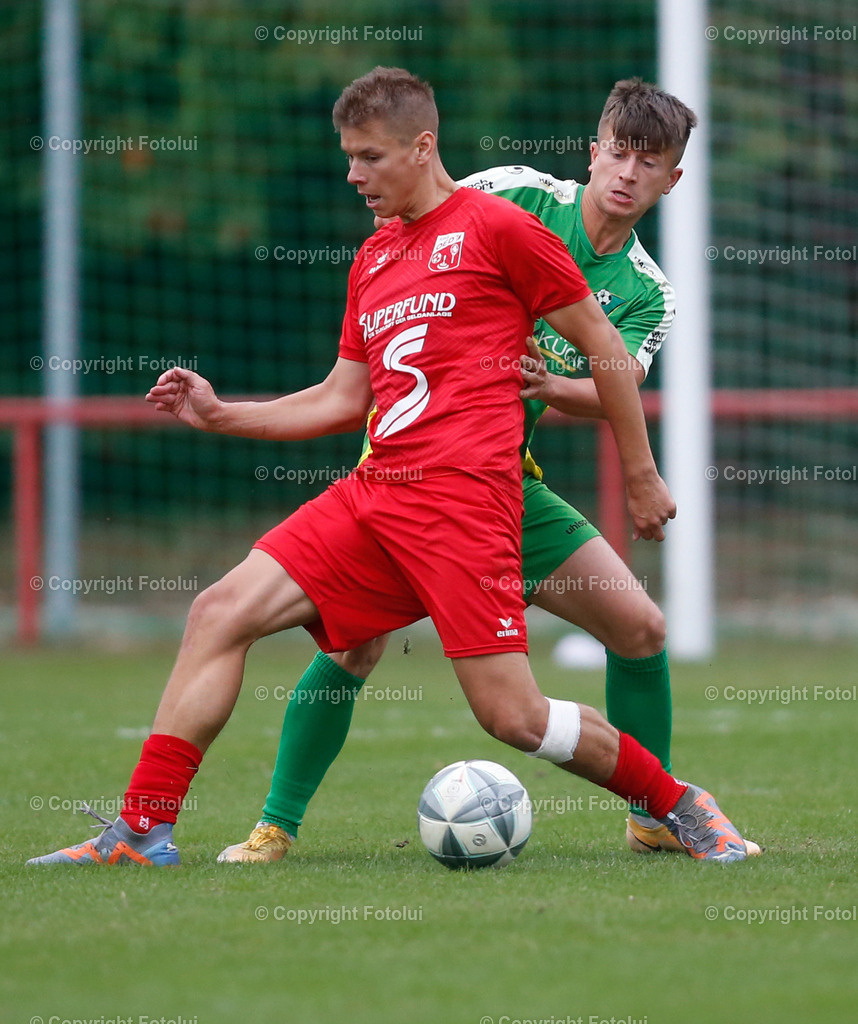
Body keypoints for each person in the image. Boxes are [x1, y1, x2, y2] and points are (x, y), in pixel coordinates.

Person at [29, 67, 750, 868]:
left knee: (514, 715)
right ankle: (140, 832)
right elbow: (343, 397)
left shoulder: (501, 224)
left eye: (368, 157)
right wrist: (221, 412)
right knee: (220, 612)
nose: (352, 174)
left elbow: (606, 349)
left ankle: (675, 805)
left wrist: (641, 473)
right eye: (349, 156)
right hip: (377, 491)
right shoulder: (375, 258)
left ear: (421, 148)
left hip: (470, 500)